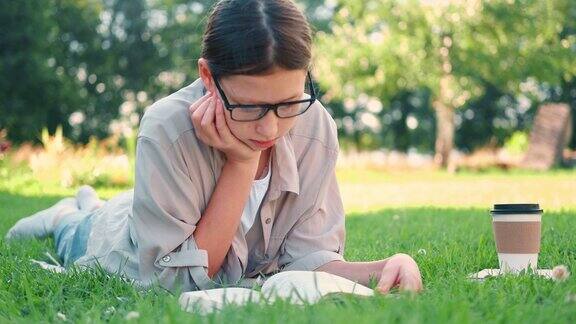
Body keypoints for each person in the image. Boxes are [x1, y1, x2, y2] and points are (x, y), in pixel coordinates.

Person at [6, 0, 422, 294]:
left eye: (287, 103)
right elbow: (172, 282)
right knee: (78, 232)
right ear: (208, 77)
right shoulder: (166, 128)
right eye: (251, 105)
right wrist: (241, 164)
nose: (270, 127)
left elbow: (308, 261)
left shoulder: (314, 127)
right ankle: (68, 214)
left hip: (153, 206)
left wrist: (384, 268)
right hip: (115, 241)